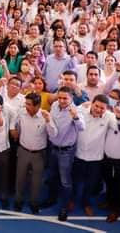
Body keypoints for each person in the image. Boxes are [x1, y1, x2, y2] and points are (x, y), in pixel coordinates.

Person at [45, 86, 85, 221]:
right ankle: (51, 199)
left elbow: (82, 127)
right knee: (51, 177)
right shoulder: (54, 105)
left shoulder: (77, 110)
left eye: (65, 98)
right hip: (53, 147)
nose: (61, 101)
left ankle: (64, 208)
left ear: (71, 98)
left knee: (65, 182)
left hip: (66, 151)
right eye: (60, 97)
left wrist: (76, 117)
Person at [13, 92, 57, 214]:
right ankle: (18, 201)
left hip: (39, 154)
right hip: (23, 151)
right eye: (26, 103)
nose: (26, 106)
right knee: (20, 179)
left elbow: (53, 134)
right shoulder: (21, 113)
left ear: (37, 106)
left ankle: (34, 202)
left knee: (37, 181)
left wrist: (48, 121)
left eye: (29, 104)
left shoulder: (45, 116)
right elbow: (17, 127)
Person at [73, 94, 114, 216]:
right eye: (96, 106)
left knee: (90, 184)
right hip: (78, 154)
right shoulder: (81, 111)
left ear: (106, 109)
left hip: (96, 158)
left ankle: (86, 203)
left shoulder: (109, 116)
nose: (98, 109)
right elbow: (72, 108)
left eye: (102, 108)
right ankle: (72, 200)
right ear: (91, 103)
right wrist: (82, 104)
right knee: (75, 181)